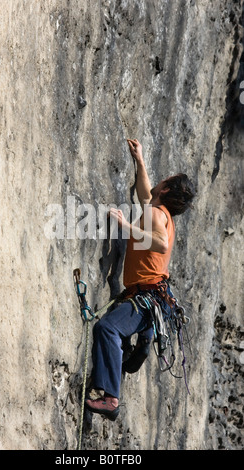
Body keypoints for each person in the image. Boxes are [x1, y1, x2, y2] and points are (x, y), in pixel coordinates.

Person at [85, 139, 195, 421]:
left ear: (167, 188)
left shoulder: (157, 216)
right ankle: (143, 341)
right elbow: (146, 195)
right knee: (120, 329)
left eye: (165, 180)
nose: (159, 180)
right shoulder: (160, 212)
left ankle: (111, 398)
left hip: (146, 298)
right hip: (151, 297)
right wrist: (140, 161)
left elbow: (159, 244)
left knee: (106, 329)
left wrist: (124, 226)